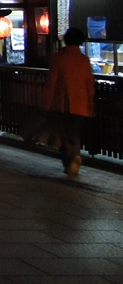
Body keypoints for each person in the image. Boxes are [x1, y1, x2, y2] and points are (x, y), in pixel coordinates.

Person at [42, 27, 96, 177]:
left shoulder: (58, 58)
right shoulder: (84, 60)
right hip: (81, 104)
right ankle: (75, 156)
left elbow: (51, 83)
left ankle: (70, 161)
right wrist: (91, 104)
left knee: (63, 135)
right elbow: (89, 84)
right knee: (75, 134)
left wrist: (46, 103)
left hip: (62, 103)